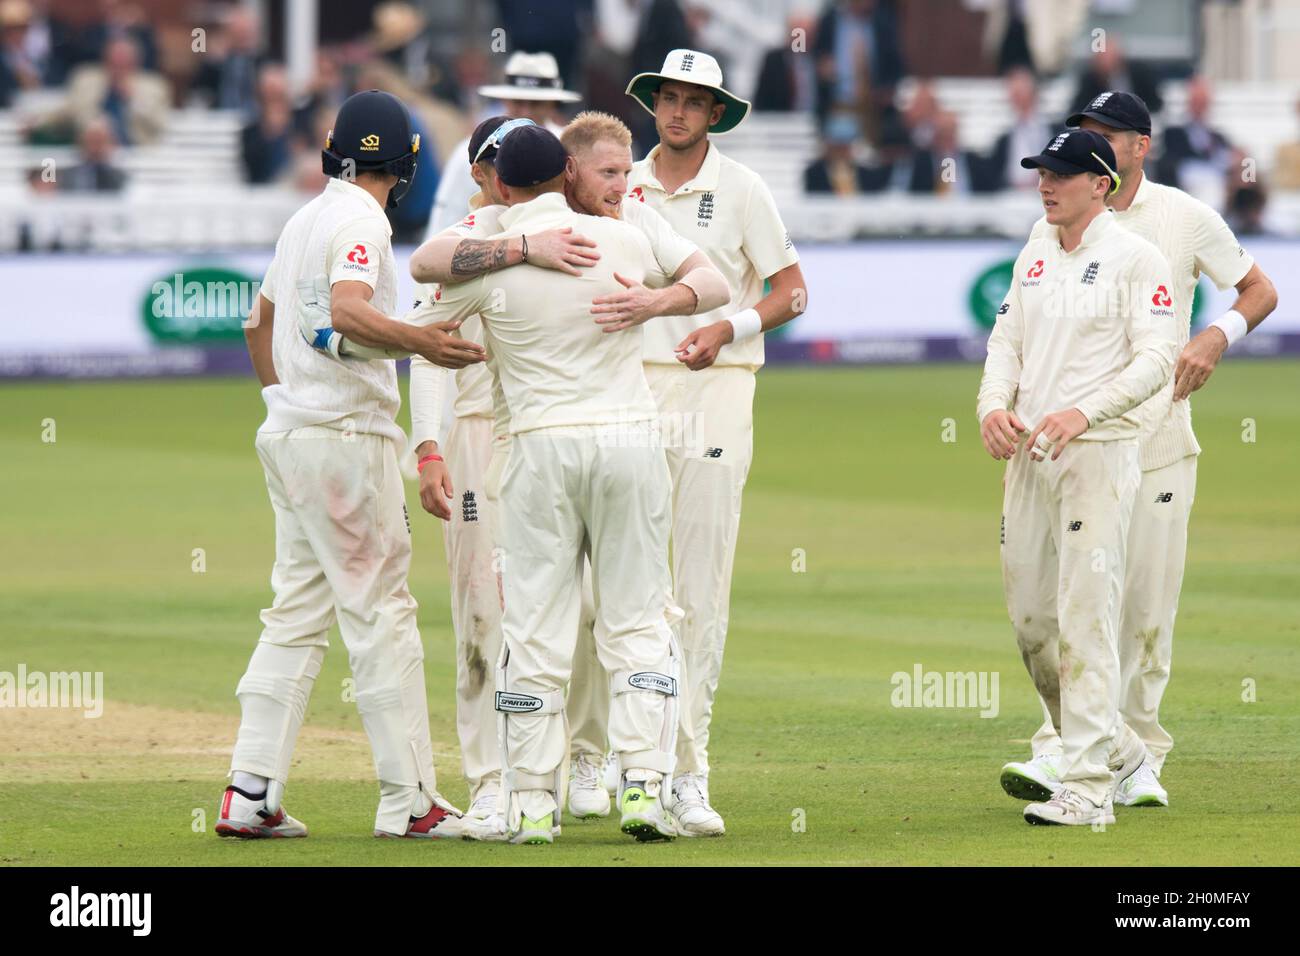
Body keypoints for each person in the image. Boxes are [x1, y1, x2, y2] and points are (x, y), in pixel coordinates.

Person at [389, 112, 730, 834]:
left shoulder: (490, 253)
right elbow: (715, 281)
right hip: (629, 444)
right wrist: (658, 300)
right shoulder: (629, 239)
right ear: (566, 175)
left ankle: (533, 802)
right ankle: (641, 784)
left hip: (540, 450)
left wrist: (513, 247)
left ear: (500, 183)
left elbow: (423, 271)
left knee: (535, 626)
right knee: (638, 619)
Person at [216, 89, 484, 842]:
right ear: (405, 165)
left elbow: (256, 320)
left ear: (338, 150)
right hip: (346, 440)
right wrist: (422, 341)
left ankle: (249, 790)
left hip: (292, 437)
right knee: (381, 611)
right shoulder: (364, 219)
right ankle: (412, 802)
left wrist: (284, 399)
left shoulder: (305, 216)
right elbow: (345, 310)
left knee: (296, 613)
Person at [999, 92, 1277, 808]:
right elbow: (1015, 335)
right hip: (1069, 448)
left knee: (1142, 612)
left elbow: (1259, 288)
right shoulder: (1054, 227)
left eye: (1106, 135)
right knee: (1063, 607)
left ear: (1140, 145)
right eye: (1083, 132)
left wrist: (1216, 337)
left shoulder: (1182, 218)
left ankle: (1139, 755)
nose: (1091, 143)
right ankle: (1067, 749)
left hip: (1155, 442)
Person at [622, 49, 806, 835]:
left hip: (715, 392)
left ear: (716, 113)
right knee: (627, 592)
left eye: (693, 102)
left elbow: (792, 290)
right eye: (668, 97)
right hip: (627, 392)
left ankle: (686, 775)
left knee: (699, 591)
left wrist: (724, 328)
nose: (677, 112)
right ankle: (618, 763)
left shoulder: (743, 189)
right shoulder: (619, 183)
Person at [978, 128, 1180, 826]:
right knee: (1033, 623)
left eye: (1062, 174)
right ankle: (1119, 749)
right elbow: (1006, 341)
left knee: (1086, 617)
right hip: (1031, 455)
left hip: (1099, 455)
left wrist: (1082, 414)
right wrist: (990, 408)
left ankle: (1089, 786)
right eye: (1041, 171)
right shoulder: (1035, 253)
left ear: (1102, 185)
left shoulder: (1137, 258)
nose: (1046, 183)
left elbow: (1158, 359)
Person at [425, 51, 579, 235]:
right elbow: (445, 221)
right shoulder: (471, 151)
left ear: (553, 103)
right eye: (518, 102)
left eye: (536, 103)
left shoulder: (570, 147)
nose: (525, 111)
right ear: (504, 100)